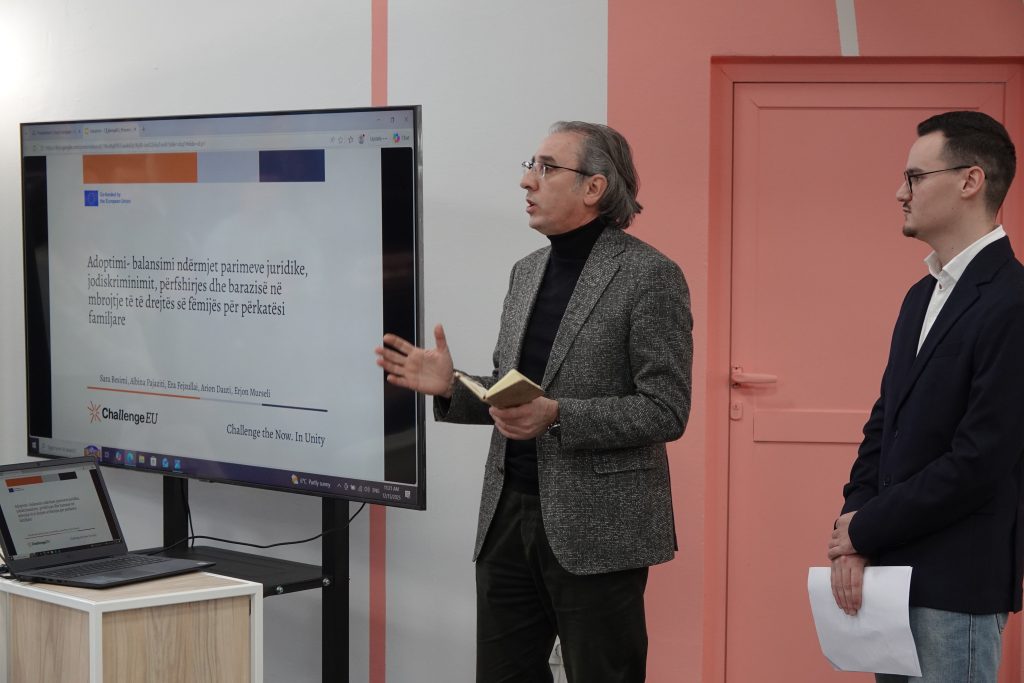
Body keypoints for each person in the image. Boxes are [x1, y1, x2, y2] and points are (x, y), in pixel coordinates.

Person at [375, 121, 692, 682]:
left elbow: (665, 408)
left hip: (599, 528)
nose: (528, 180)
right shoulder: (526, 273)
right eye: (531, 165)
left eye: (547, 167)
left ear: (594, 187)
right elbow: (510, 390)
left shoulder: (650, 276)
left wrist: (559, 415)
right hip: (507, 515)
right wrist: (455, 386)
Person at [828, 111, 1024, 682]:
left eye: (914, 177)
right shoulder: (922, 295)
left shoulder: (1012, 302)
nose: (899, 192)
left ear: (970, 181)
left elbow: (980, 459)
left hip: (956, 578)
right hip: (890, 570)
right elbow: (883, 424)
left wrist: (867, 528)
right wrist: (855, 526)